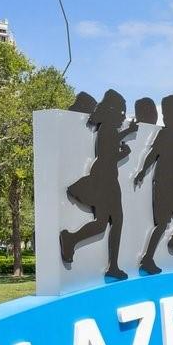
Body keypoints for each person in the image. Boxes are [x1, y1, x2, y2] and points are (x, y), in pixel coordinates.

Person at [60, 88, 135, 279]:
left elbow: (109, 154)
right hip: (106, 179)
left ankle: (71, 239)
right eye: (121, 112)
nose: (123, 116)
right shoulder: (107, 130)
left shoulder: (106, 129)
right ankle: (112, 266)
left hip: (106, 177)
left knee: (102, 224)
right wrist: (126, 140)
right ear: (111, 111)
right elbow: (108, 155)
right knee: (116, 221)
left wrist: (123, 146)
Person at [133, 94, 173, 276]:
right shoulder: (163, 133)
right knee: (161, 224)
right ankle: (147, 259)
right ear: (166, 116)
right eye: (171, 113)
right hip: (161, 184)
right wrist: (142, 171)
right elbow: (153, 154)